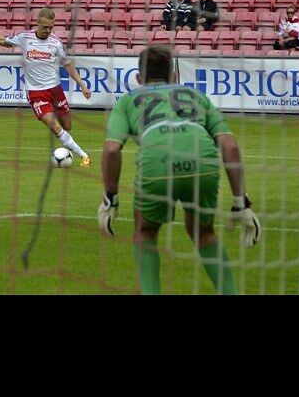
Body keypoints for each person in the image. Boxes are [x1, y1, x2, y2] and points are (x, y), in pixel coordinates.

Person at [97, 43, 261, 294]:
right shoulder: (196, 96)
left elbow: (111, 150)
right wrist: (241, 201)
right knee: (203, 232)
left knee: (146, 231)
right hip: (203, 160)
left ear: (139, 78)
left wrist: (111, 198)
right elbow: (230, 147)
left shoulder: (128, 100)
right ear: (174, 75)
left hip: (157, 161)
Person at [0, 8, 92, 167]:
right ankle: (84, 156)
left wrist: (82, 85)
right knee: (54, 125)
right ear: (38, 23)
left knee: (66, 126)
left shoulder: (56, 43)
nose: (48, 30)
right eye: (45, 27)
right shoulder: (25, 37)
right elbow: (3, 41)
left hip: (55, 90)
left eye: (51, 27)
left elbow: (68, 65)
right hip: (36, 93)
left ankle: (65, 142)